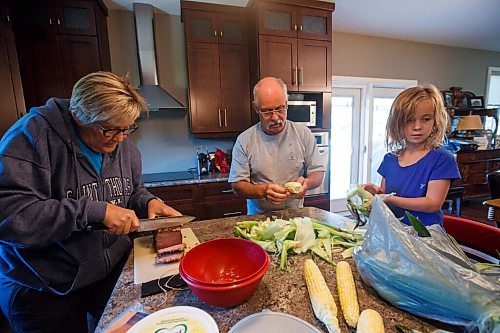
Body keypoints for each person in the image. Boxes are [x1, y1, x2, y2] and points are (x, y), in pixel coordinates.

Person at [0, 71, 181, 333]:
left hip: (109, 276)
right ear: (79, 116)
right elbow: (10, 215)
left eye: (127, 129)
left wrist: (148, 202)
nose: (120, 139)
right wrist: (94, 211)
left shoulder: (123, 145)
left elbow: (132, 191)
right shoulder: (32, 137)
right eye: (111, 130)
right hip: (45, 289)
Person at [362, 84, 460, 227]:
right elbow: (387, 194)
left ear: (436, 121)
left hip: (425, 238)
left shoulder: (442, 158)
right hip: (392, 233)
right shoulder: (390, 159)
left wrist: (389, 199)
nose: (417, 127)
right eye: (409, 120)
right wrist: (376, 193)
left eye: (426, 119)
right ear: (397, 123)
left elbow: (433, 204)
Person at [229, 77, 326, 214]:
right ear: (256, 108)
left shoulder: (303, 134)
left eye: (280, 109)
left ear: (286, 103)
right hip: (258, 218)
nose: (275, 117)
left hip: (295, 215)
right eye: (267, 111)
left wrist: (306, 184)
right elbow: (237, 186)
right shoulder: (245, 141)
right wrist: (263, 191)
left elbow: (317, 173)